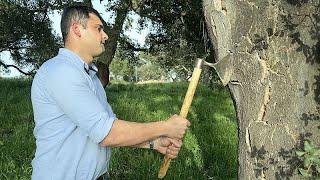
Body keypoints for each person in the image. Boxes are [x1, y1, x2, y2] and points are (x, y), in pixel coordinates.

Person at [30, 5, 190, 180]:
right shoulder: (61, 71)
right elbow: (107, 133)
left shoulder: (90, 76)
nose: (105, 36)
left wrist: (153, 143)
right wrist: (166, 127)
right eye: (98, 28)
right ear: (77, 29)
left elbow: (109, 127)